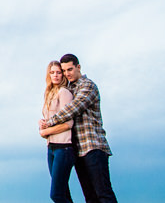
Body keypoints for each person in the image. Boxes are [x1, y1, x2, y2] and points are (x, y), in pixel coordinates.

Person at [40, 54, 118, 203]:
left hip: (93, 147)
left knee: (103, 193)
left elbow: (72, 109)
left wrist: (49, 123)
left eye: (70, 69)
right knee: (90, 197)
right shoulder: (69, 89)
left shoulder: (87, 86)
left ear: (78, 67)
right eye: (64, 71)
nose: (67, 73)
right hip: (78, 150)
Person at [40, 60, 76, 203]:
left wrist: (45, 131)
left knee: (56, 195)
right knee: (64, 194)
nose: (55, 75)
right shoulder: (48, 93)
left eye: (58, 72)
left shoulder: (64, 92)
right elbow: (48, 120)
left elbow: (68, 123)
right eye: (52, 72)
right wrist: (41, 125)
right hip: (51, 148)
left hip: (64, 148)